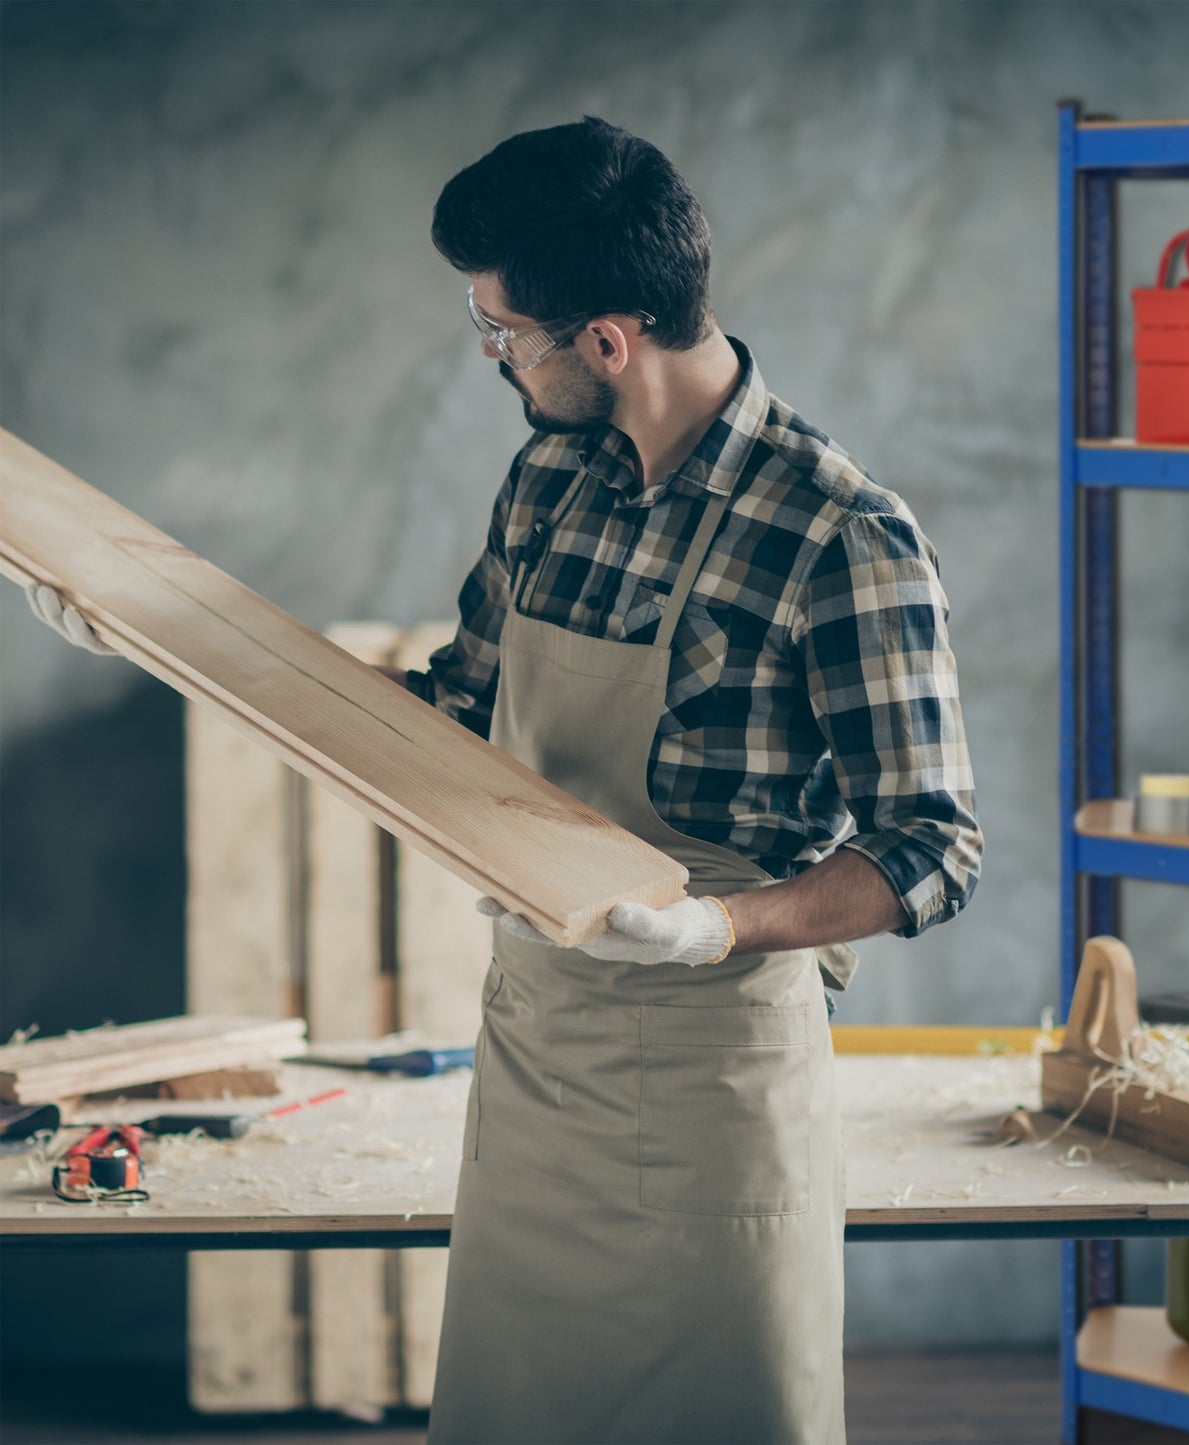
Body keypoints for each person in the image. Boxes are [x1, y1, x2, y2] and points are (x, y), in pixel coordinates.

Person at [29, 116, 982, 1445]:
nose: (496, 363)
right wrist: (169, 640)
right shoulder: (553, 481)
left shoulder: (837, 533)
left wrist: (717, 924)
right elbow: (446, 719)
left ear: (605, 339)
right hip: (539, 1056)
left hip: (716, 1081)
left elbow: (932, 846)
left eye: (502, 337)